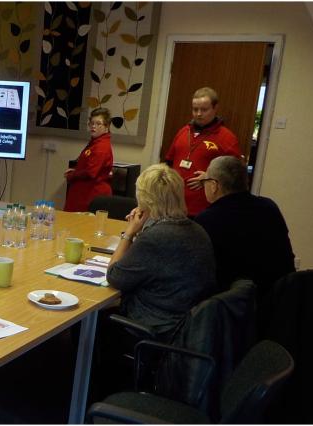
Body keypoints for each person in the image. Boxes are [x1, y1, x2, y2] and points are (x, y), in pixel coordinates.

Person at [106, 164, 217, 338]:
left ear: (145, 200)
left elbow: (114, 276)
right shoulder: (197, 229)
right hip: (186, 325)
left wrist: (129, 232)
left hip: (156, 327)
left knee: (88, 323)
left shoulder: (156, 237)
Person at [194, 155, 295, 298]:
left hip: (234, 307)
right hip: (281, 298)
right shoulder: (269, 207)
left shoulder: (206, 220)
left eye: (205, 181)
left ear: (214, 185)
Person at [163, 87, 242, 216]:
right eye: (195, 109)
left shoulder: (227, 137)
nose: (198, 114)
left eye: (204, 110)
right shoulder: (183, 131)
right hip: (175, 206)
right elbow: (168, 163)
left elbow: (236, 174)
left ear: (215, 108)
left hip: (205, 210)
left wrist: (210, 176)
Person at [64, 107, 114, 212]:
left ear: (107, 126)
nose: (93, 126)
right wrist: (76, 171)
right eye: (91, 123)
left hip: (91, 195)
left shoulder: (101, 147)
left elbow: (91, 172)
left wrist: (72, 175)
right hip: (83, 193)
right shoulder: (95, 142)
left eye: (98, 123)